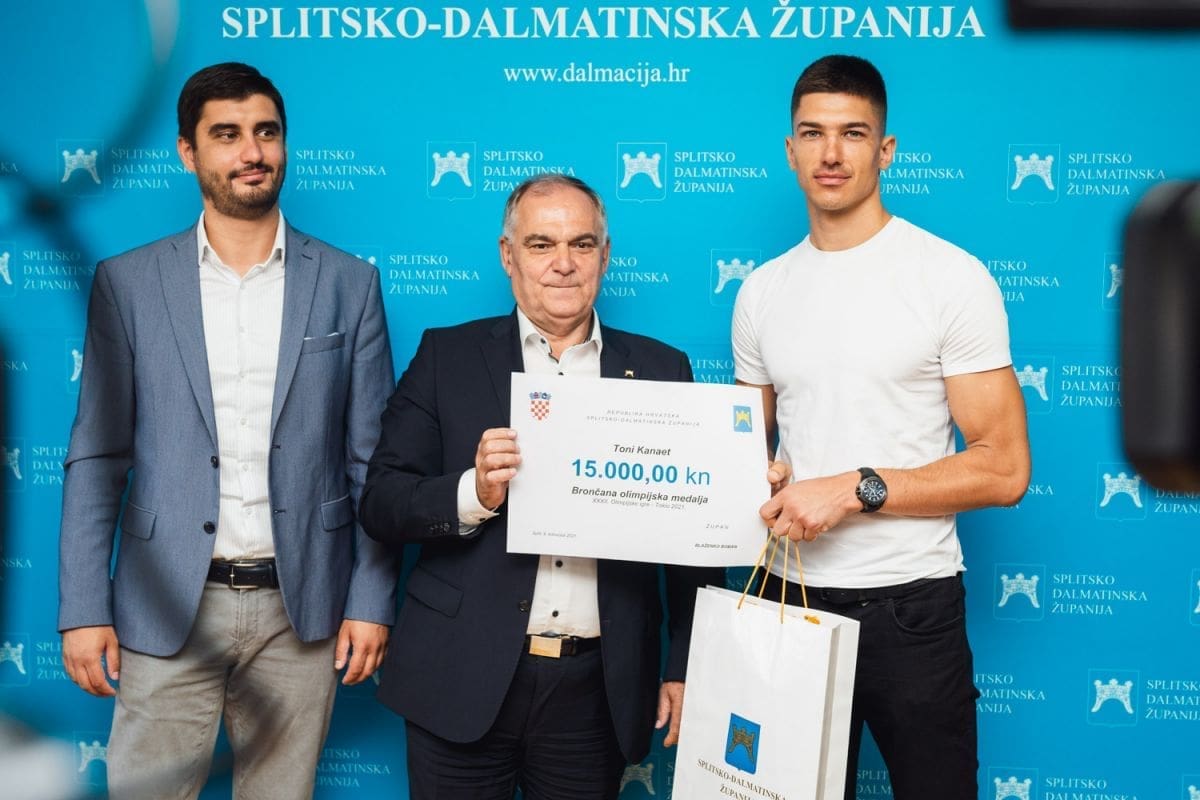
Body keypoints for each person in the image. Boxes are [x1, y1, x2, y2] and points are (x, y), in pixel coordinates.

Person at [57, 62, 398, 800]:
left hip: (302, 608)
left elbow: (372, 463)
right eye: (227, 134)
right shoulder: (128, 283)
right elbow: (97, 456)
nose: (252, 152)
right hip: (163, 604)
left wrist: (371, 599)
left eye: (266, 132)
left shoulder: (349, 283)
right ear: (188, 152)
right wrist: (83, 608)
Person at [359, 173, 721, 800]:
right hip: (460, 674)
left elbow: (693, 540)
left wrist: (685, 664)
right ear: (508, 255)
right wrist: (474, 493)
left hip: (597, 692)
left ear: (605, 256)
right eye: (540, 244)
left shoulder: (663, 369)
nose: (563, 263)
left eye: (582, 244)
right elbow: (382, 501)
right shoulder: (447, 356)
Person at [733, 55, 1031, 800]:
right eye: (813, 133)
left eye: (853, 133)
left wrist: (852, 488)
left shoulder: (950, 277)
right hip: (788, 600)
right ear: (790, 149)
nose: (831, 153)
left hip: (911, 608)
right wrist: (757, 473)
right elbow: (743, 454)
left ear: (885, 149)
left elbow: (1004, 468)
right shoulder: (761, 291)